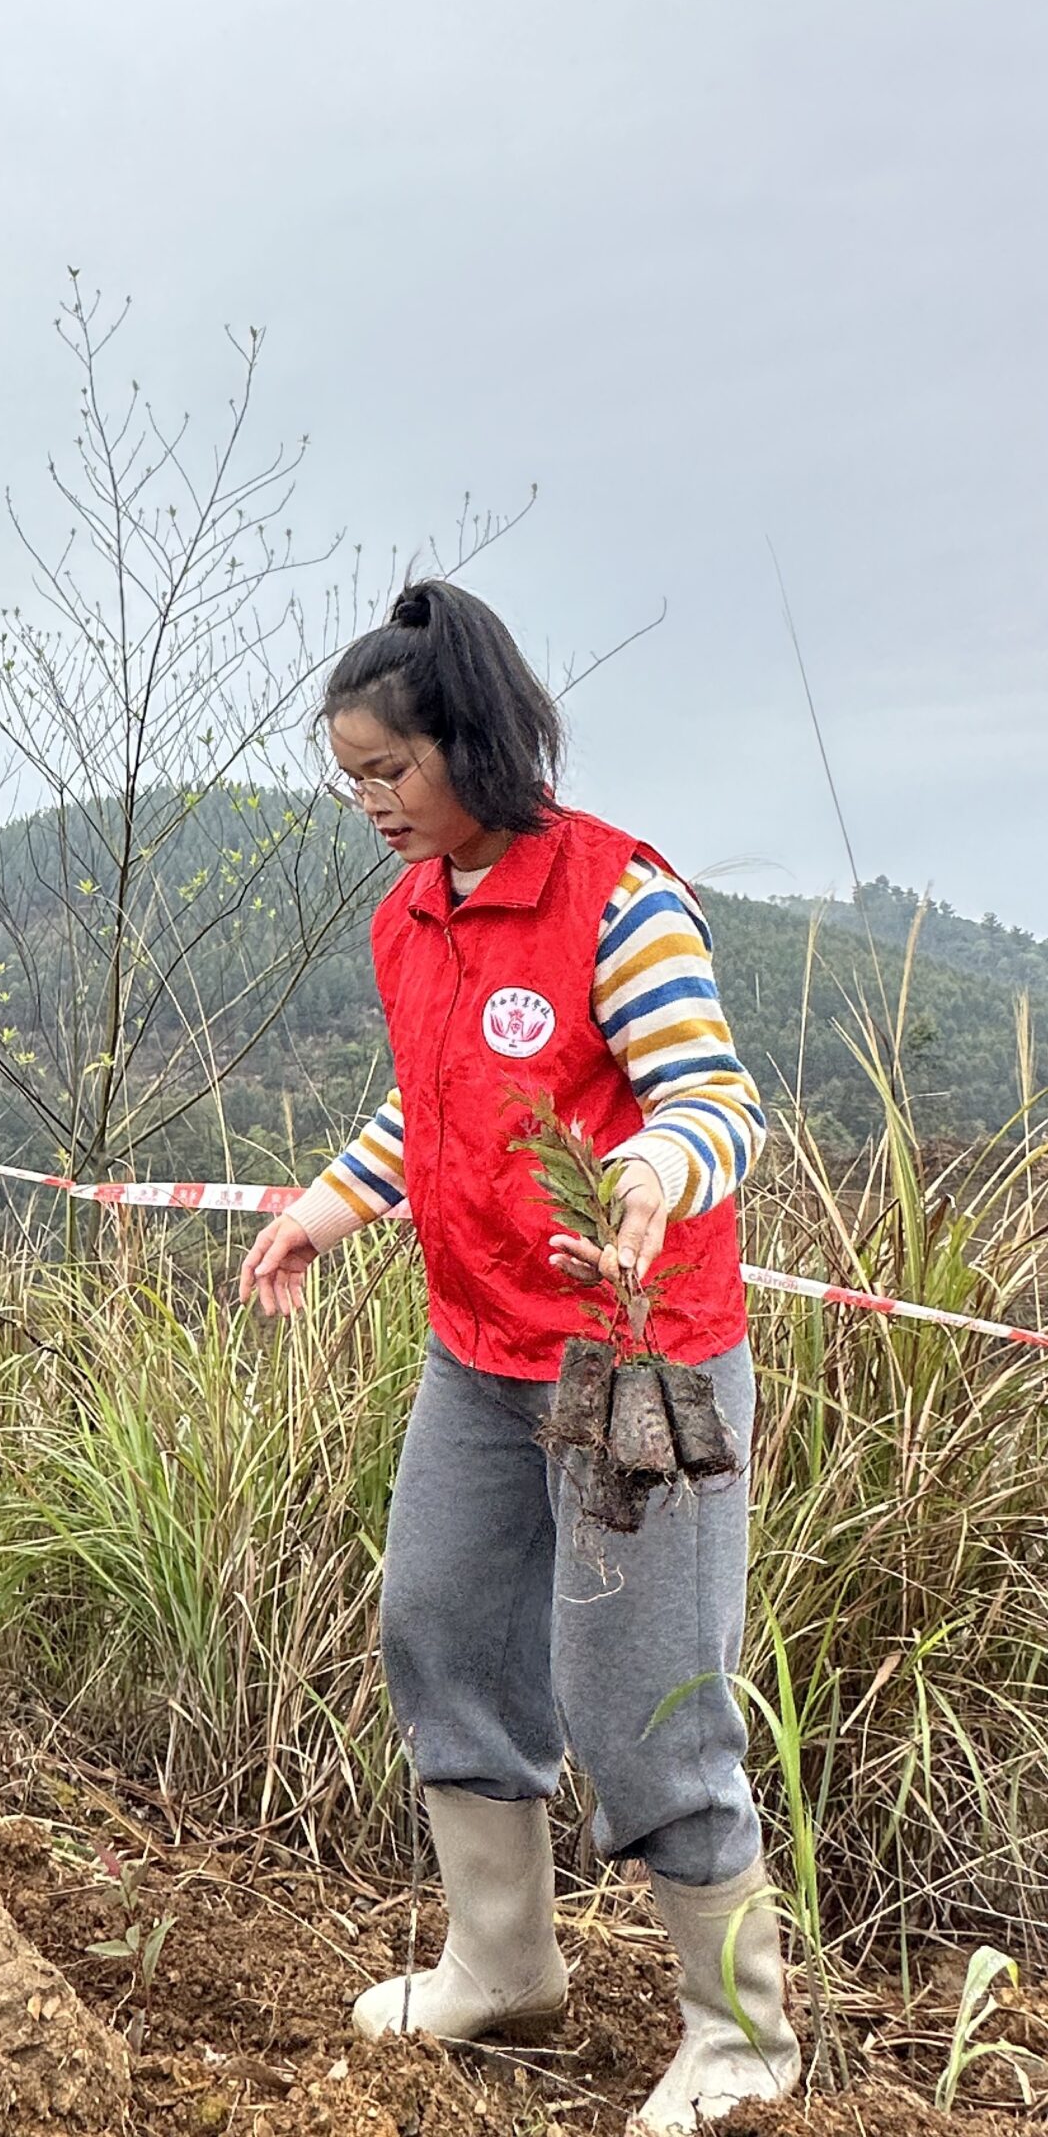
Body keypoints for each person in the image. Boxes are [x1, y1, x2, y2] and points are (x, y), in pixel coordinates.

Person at [238, 582, 799, 2134]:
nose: (366, 804)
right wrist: (321, 1214)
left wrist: (652, 1176)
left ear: (471, 747)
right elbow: (428, 1109)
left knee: (640, 1703)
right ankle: (504, 1967)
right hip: (478, 1352)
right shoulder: (409, 915)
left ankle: (743, 2037)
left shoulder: (617, 897)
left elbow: (715, 1098)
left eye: (387, 774)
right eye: (347, 774)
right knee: (439, 1628)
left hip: (633, 1366)